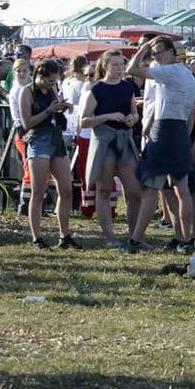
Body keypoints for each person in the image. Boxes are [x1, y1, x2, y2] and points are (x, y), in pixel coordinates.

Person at [127, 37, 195, 253]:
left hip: (165, 129)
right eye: (154, 53)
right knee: (181, 187)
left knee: (151, 187)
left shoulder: (169, 71)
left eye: (159, 52)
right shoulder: (188, 75)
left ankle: (136, 239)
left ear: (171, 52)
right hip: (178, 131)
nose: (155, 57)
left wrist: (142, 50)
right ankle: (186, 238)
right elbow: (190, 116)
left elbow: (132, 69)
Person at [81, 49, 143, 251]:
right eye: (115, 64)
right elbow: (84, 121)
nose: (120, 68)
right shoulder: (96, 89)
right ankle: (110, 236)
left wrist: (133, 118)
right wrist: (107, 116)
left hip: (125, 140)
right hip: (104, 141)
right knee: (105, 189)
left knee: (135, 190)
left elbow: (134, 112)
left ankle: (135, 236)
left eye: (121, 64)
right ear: (105, 66)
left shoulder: (127, 87)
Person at [21, 59, 80, 250]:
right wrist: (49, 110)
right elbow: (27, 123)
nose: (52, 84)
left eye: (55, 81)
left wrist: (63, 107)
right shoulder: (27, 92)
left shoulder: (52, 89)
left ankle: (65, 235)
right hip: (38, 140)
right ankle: (36, 237)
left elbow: (55, 112)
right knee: (38, 191)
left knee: (66, 188)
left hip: (56, 139)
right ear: (38, 75)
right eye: (49, 81)